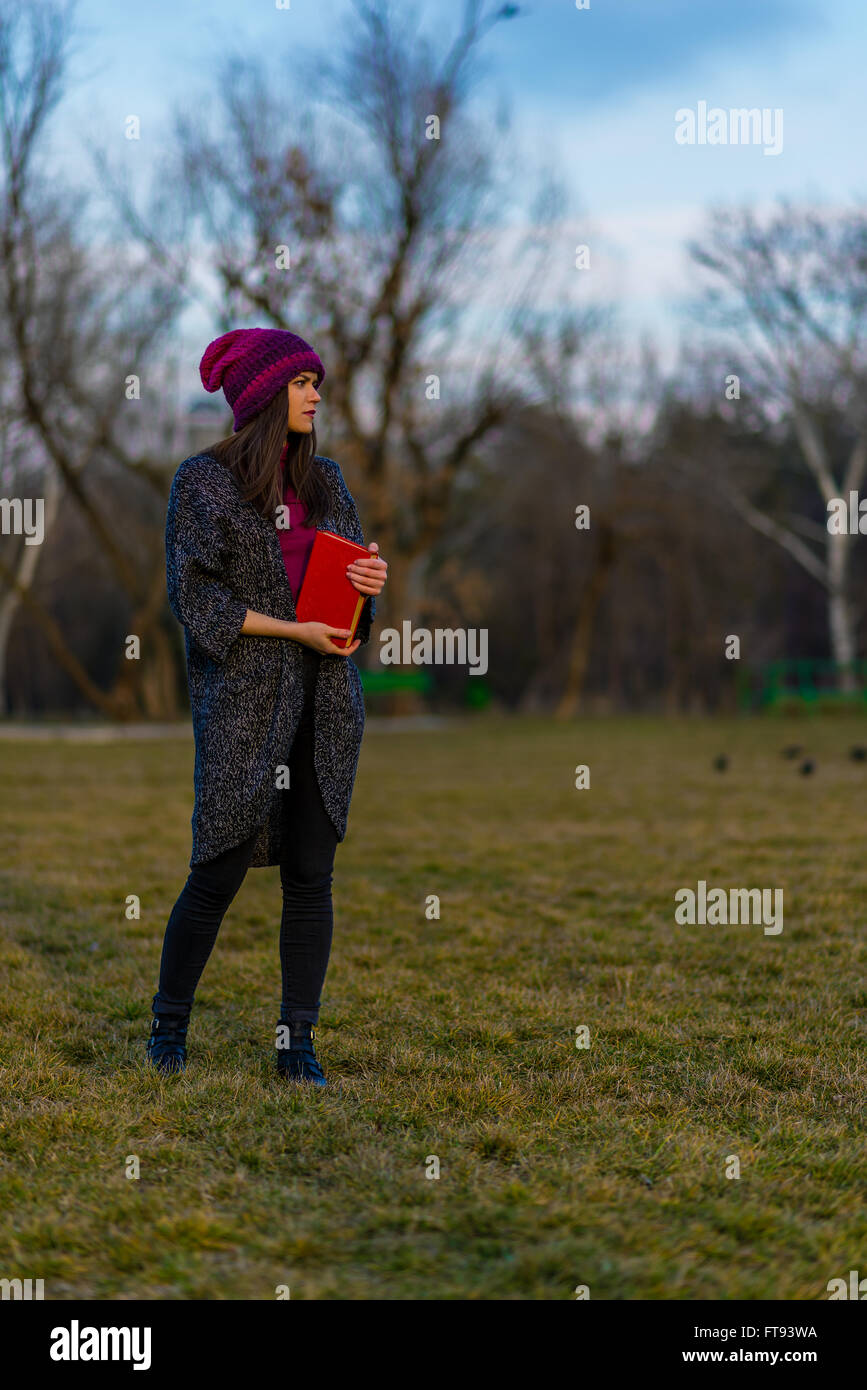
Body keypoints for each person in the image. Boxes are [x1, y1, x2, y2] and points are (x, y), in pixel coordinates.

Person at [147, 327, 387, 1085]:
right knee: (217, 867)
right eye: (303, 382)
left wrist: (368, 587)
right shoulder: (204, 482)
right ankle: (168, 1029)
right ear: (262, 395)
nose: (317, 394)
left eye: (317, 382)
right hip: (246, 700)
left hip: (325, 703)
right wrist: (291, 629)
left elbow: (347, 608)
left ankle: (296, 1044)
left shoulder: (328, 484)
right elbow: (195, 597)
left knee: (311, 876)